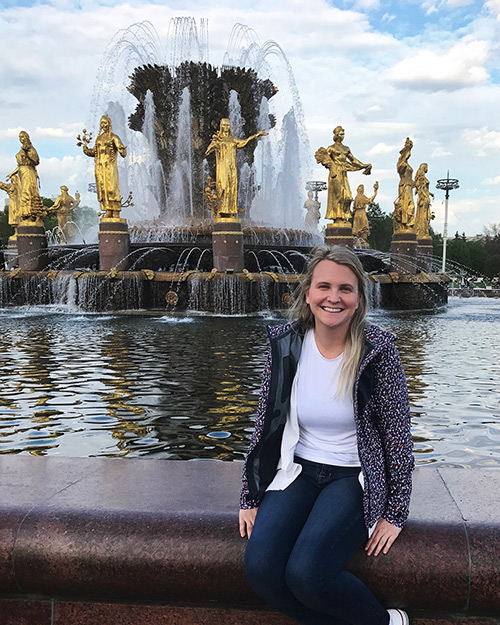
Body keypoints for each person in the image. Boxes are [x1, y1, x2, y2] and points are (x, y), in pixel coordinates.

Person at [240, 245, 414, 625]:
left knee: (308, 573)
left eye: (345, 289)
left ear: (358, 299)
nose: (333, 297)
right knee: (261, 570)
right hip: (298, 471)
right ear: (308, 294)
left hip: (353, 477)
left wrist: (396, 512)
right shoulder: (286, 343)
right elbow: (265, 422)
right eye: (324, 287)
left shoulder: (378, 350)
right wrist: (250, 495)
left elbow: (398, 434)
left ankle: (387, 622)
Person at [205, 118, 267, 218]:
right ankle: (221, 210)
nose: (225, 127)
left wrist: (256, 135)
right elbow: (207, 152)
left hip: (231, 168)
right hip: (222, 167)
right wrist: (214, 144)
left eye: (227, 125)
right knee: (223, 187)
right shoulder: (218, 139)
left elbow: (244, 142)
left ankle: (229, 211)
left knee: (231, 188)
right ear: (221, 127)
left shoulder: (232, 140)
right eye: (224, 125)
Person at [316, 127, 371, 223]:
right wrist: (330, 166)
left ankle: (343, 216)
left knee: (348, 196)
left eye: (343, 134)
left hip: (343, 173)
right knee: (338, 195)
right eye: (341, 134)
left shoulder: (346, 148)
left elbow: (353, 160)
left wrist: (364, 165)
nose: (343, 136)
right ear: (336, 135)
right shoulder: (331, 148)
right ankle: (337, 218)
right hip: (335, 174)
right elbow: (324, 159)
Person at [80, 114, 126, 219]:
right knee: (102, 189)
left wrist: (122, 149)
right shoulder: (99, 139)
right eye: (102, 123)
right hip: (99, 167)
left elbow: (121, 149)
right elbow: (95, 152)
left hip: (110, 167)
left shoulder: (114, 137)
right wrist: (86, 150)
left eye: (105, 123)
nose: (103, 125)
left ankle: (116, 210)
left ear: (109, 124)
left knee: (112, 188)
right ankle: (108, 210)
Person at [393, 138, 415, 233]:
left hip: (410, 186)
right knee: (408, 205)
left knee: (411, 205)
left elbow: (411, 179)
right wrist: (404, 159)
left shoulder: (408, 165)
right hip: (404, 186)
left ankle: (408, 224)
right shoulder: (402, 164)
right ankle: (405, 223)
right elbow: (400, 171)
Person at [352, 181, 379, 247]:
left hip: (356, 214)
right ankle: (362, 242)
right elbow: (370, 200)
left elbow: (353, 209)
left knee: (357, 229)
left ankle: (358, 241)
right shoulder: (362, 197)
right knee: (364, 227)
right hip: (362, 213)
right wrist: (375, 192)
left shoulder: (356, 198)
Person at [414, 163, 434, 240]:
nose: (427, 169)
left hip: (425, 198)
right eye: (426, 167)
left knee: (425, 216)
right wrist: (425, 196)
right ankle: (421, 231)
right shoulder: (422, 178)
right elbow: (421, 189)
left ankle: (424, 231)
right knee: (423, 215)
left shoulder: (423, 178)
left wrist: (430, 194)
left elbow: (425, 190)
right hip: (423, 199)